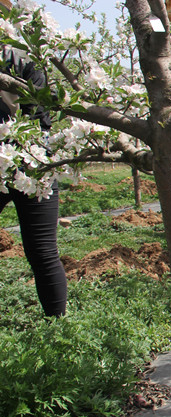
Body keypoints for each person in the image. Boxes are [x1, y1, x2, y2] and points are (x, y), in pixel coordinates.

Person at [0, 38, 67, 317]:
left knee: (41, 252)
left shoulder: (22, 57)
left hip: (30, 163)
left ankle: (58, 327)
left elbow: (40, 115)